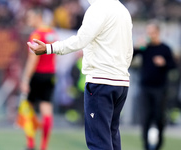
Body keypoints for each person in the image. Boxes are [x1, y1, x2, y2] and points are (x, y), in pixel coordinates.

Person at [28, 0, 133, 150]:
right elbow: (129, 49)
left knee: (99, 141)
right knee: (112, 136)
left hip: (101, 81)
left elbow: (80, 40)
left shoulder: (98, 8)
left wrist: (50, 48)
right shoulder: (123, 10)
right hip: (121, 82)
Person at [133, 22, 176, 150]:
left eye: (152, 32)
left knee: (159, 118)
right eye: (148, 32)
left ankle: (158, 146)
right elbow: (131, 57)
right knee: (145, 118)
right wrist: (137, 47)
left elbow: (173, 65)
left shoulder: (165, 48)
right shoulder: (144, 48)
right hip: (145, 88)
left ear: (157, 33)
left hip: (160, 88)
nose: (149, 35)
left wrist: (164, 63)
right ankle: (146, 146)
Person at [20, 7, 57, 150]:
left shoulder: (35, 35)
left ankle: (30, 143)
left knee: (27, 108)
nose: (28, 20)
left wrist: (25, 79)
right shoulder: (53, 34)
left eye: (30, 17)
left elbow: (32, 59)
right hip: (50, 74)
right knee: (46, 107)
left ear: (38, 17)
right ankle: (44, 146)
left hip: (37, 74)